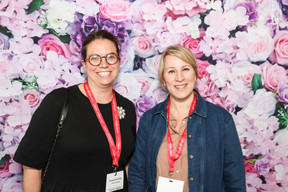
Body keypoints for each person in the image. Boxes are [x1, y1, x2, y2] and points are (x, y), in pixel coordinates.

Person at [14, 30, 136, 192]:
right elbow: (31, 166)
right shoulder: (59, 101)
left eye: (111, 56)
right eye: (94, 58)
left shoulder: (126, 107)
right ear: (84, 64)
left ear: (119, 61)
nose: (104, 64)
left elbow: (125, 163)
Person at [128, 45, 246, 192]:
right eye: (171, 71)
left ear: (195, 74)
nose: (179, 78)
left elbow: (235, 182)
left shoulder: (221, 120)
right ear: (163, 80)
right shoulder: (150, 119)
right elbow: (138, 174)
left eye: (185, 69)